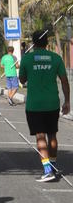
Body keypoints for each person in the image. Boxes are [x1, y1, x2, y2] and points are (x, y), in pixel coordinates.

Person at [19, 29, 70, 182]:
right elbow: (65, 82)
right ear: (47, 42)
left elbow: (22, 80)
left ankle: (48, 170)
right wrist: (67, 101)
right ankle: (53, 166)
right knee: (52, 134)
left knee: (40, 136)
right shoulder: (56, 58)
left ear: (33, 43)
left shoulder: (27, 59)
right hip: (52, 103)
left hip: (35, 105)